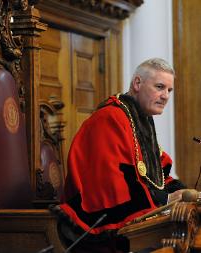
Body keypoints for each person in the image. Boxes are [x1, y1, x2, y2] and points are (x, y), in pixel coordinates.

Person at [56, 58, 186, 252]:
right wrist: (166, 199)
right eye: (159, 87)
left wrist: (185, 193)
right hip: (96, 227)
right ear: (137, 83)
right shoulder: (110, 118)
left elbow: (155, 175)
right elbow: (111, 184)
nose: (166, 96)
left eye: (169, 90)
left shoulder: (141, 118)